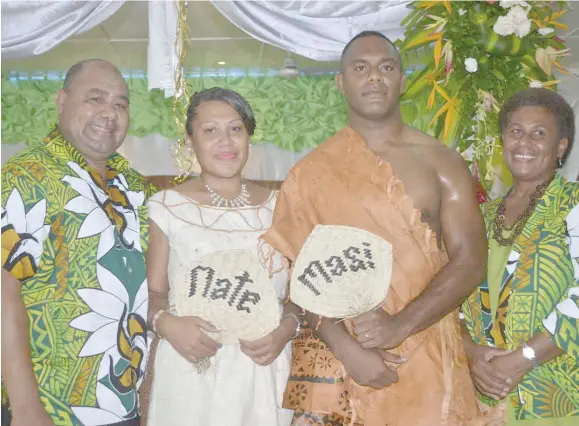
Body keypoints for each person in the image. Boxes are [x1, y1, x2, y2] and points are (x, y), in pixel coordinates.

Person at [263, 31, 495, 425]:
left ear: (402, 81)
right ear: (341, 82)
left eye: (386, 68)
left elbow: (471, 260)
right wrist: (347, 348)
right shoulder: (309, 173)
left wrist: (399, 325)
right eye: (360, 68)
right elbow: (300, 280)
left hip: (426, 357)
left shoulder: (443, 162)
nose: (374, 77)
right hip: (339, 363)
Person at [1, 59, 155, 426]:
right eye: (95, 98)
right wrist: (25, 409)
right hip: (52, 407)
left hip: (127, 402)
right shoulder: (27, 177)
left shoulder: (135, 186)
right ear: (61, 101)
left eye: (120, 103)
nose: (109, 113)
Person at [142, 88, 295, 426]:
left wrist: (285, 329)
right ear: (189, 140)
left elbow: (299, 295)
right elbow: (154, 295)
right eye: (210, 131)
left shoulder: (281, 206)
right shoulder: (166, 207)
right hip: (191, 366)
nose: (225, 142)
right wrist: (168, 325)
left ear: (249, 137)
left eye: (235, 129)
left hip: (265, 366)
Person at [461, 88, 579, 424]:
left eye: (539, 134)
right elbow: (450, 300)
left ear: (561, 146)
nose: (524, 143)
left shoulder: (573, 204)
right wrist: (471, 354)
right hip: (483, 403)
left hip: (559, 400)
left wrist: (524, 357)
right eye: (515, 131)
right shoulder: (479, 217)